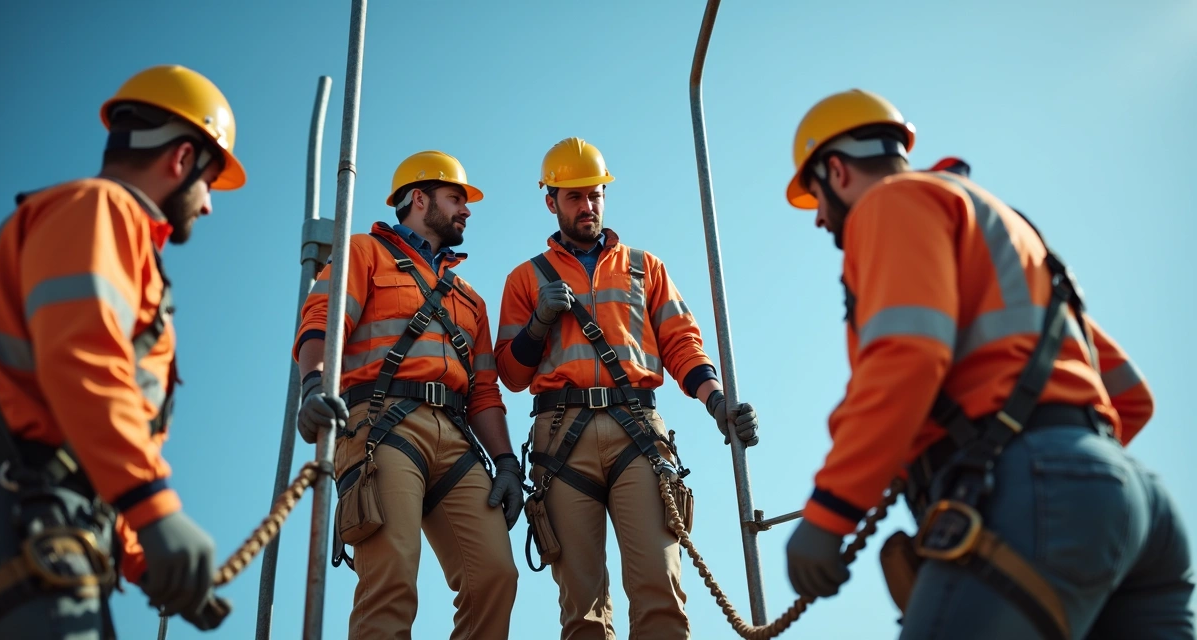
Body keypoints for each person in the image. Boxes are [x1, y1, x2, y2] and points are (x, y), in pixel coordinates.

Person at [781, 88, 1194, 639]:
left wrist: (830, 513)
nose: (819, 221)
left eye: (815, 196)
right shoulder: (1003, 230)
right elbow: (1131, 397)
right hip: (1141, 511)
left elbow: (907, 355)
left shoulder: (888, 204)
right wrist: (1082, 477)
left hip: (1032, 488)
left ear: (836, 171)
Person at [0, 64, 243, 638]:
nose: (208, 206)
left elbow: (83, 440)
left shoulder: (94, 224)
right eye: (209, 183)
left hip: (50, 517)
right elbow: (83, 363)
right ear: (181, 160)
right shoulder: (103, 210)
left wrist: (145, 559)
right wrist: (154, 510)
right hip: (16, 514)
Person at [494, 136, 760, 639]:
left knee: (661, 592)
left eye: (595, 195)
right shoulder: (525, 280)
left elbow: (682, 345)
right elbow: (510, 373)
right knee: (583, 613)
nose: (587, 206)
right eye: (574, 197)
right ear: (551, 202)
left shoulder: (644, 268)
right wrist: (539, 322)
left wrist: (717, 401)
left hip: (637, 433)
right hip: (560, 442)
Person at [294, 150, 521, 639]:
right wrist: (313, 386)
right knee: (392, 578)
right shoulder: (362, 253)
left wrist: (505, 462)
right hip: (381, 426)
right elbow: (320, 326)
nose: (466, 210)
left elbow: (484, 392)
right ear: (419, 199)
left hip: (456, 438)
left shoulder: (470, 300)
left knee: (495, 577)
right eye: (455, 197)